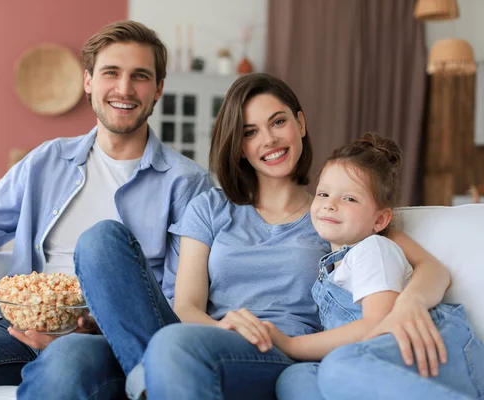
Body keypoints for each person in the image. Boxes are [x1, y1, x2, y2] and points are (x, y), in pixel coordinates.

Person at [0, 20, 213, 400]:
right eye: (111, 73)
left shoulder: (186, 183)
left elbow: (178, 299)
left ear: (158, 88)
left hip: (100, 342)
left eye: (139, 76)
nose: (124, 89)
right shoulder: (49, 159)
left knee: (62, 370)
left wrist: (91, 325)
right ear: (88, 81)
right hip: (14, 328)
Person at [74, 73, 452, 400]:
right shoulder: (210, 207)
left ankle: (149, 377)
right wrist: (224, 328)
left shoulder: (334, 214)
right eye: (250, 132)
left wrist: (410, 304)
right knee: (101, 240)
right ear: (239, 146)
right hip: (207, 339)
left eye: (278, 122)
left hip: (279, 351)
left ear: (300, 123)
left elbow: (431, 268)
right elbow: (187, 305)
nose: (268, 139)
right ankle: (151, 372)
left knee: (173, 346)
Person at [274, 132, 484, 400]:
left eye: (349, 198)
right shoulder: (336, 264)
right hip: (387, 359)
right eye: (324, 193)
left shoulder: (373, 249)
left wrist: (290, 344)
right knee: (294, 378)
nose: (330, 205)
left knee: (338, 366)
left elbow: (375, 324)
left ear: (380, 219)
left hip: (436, 350)